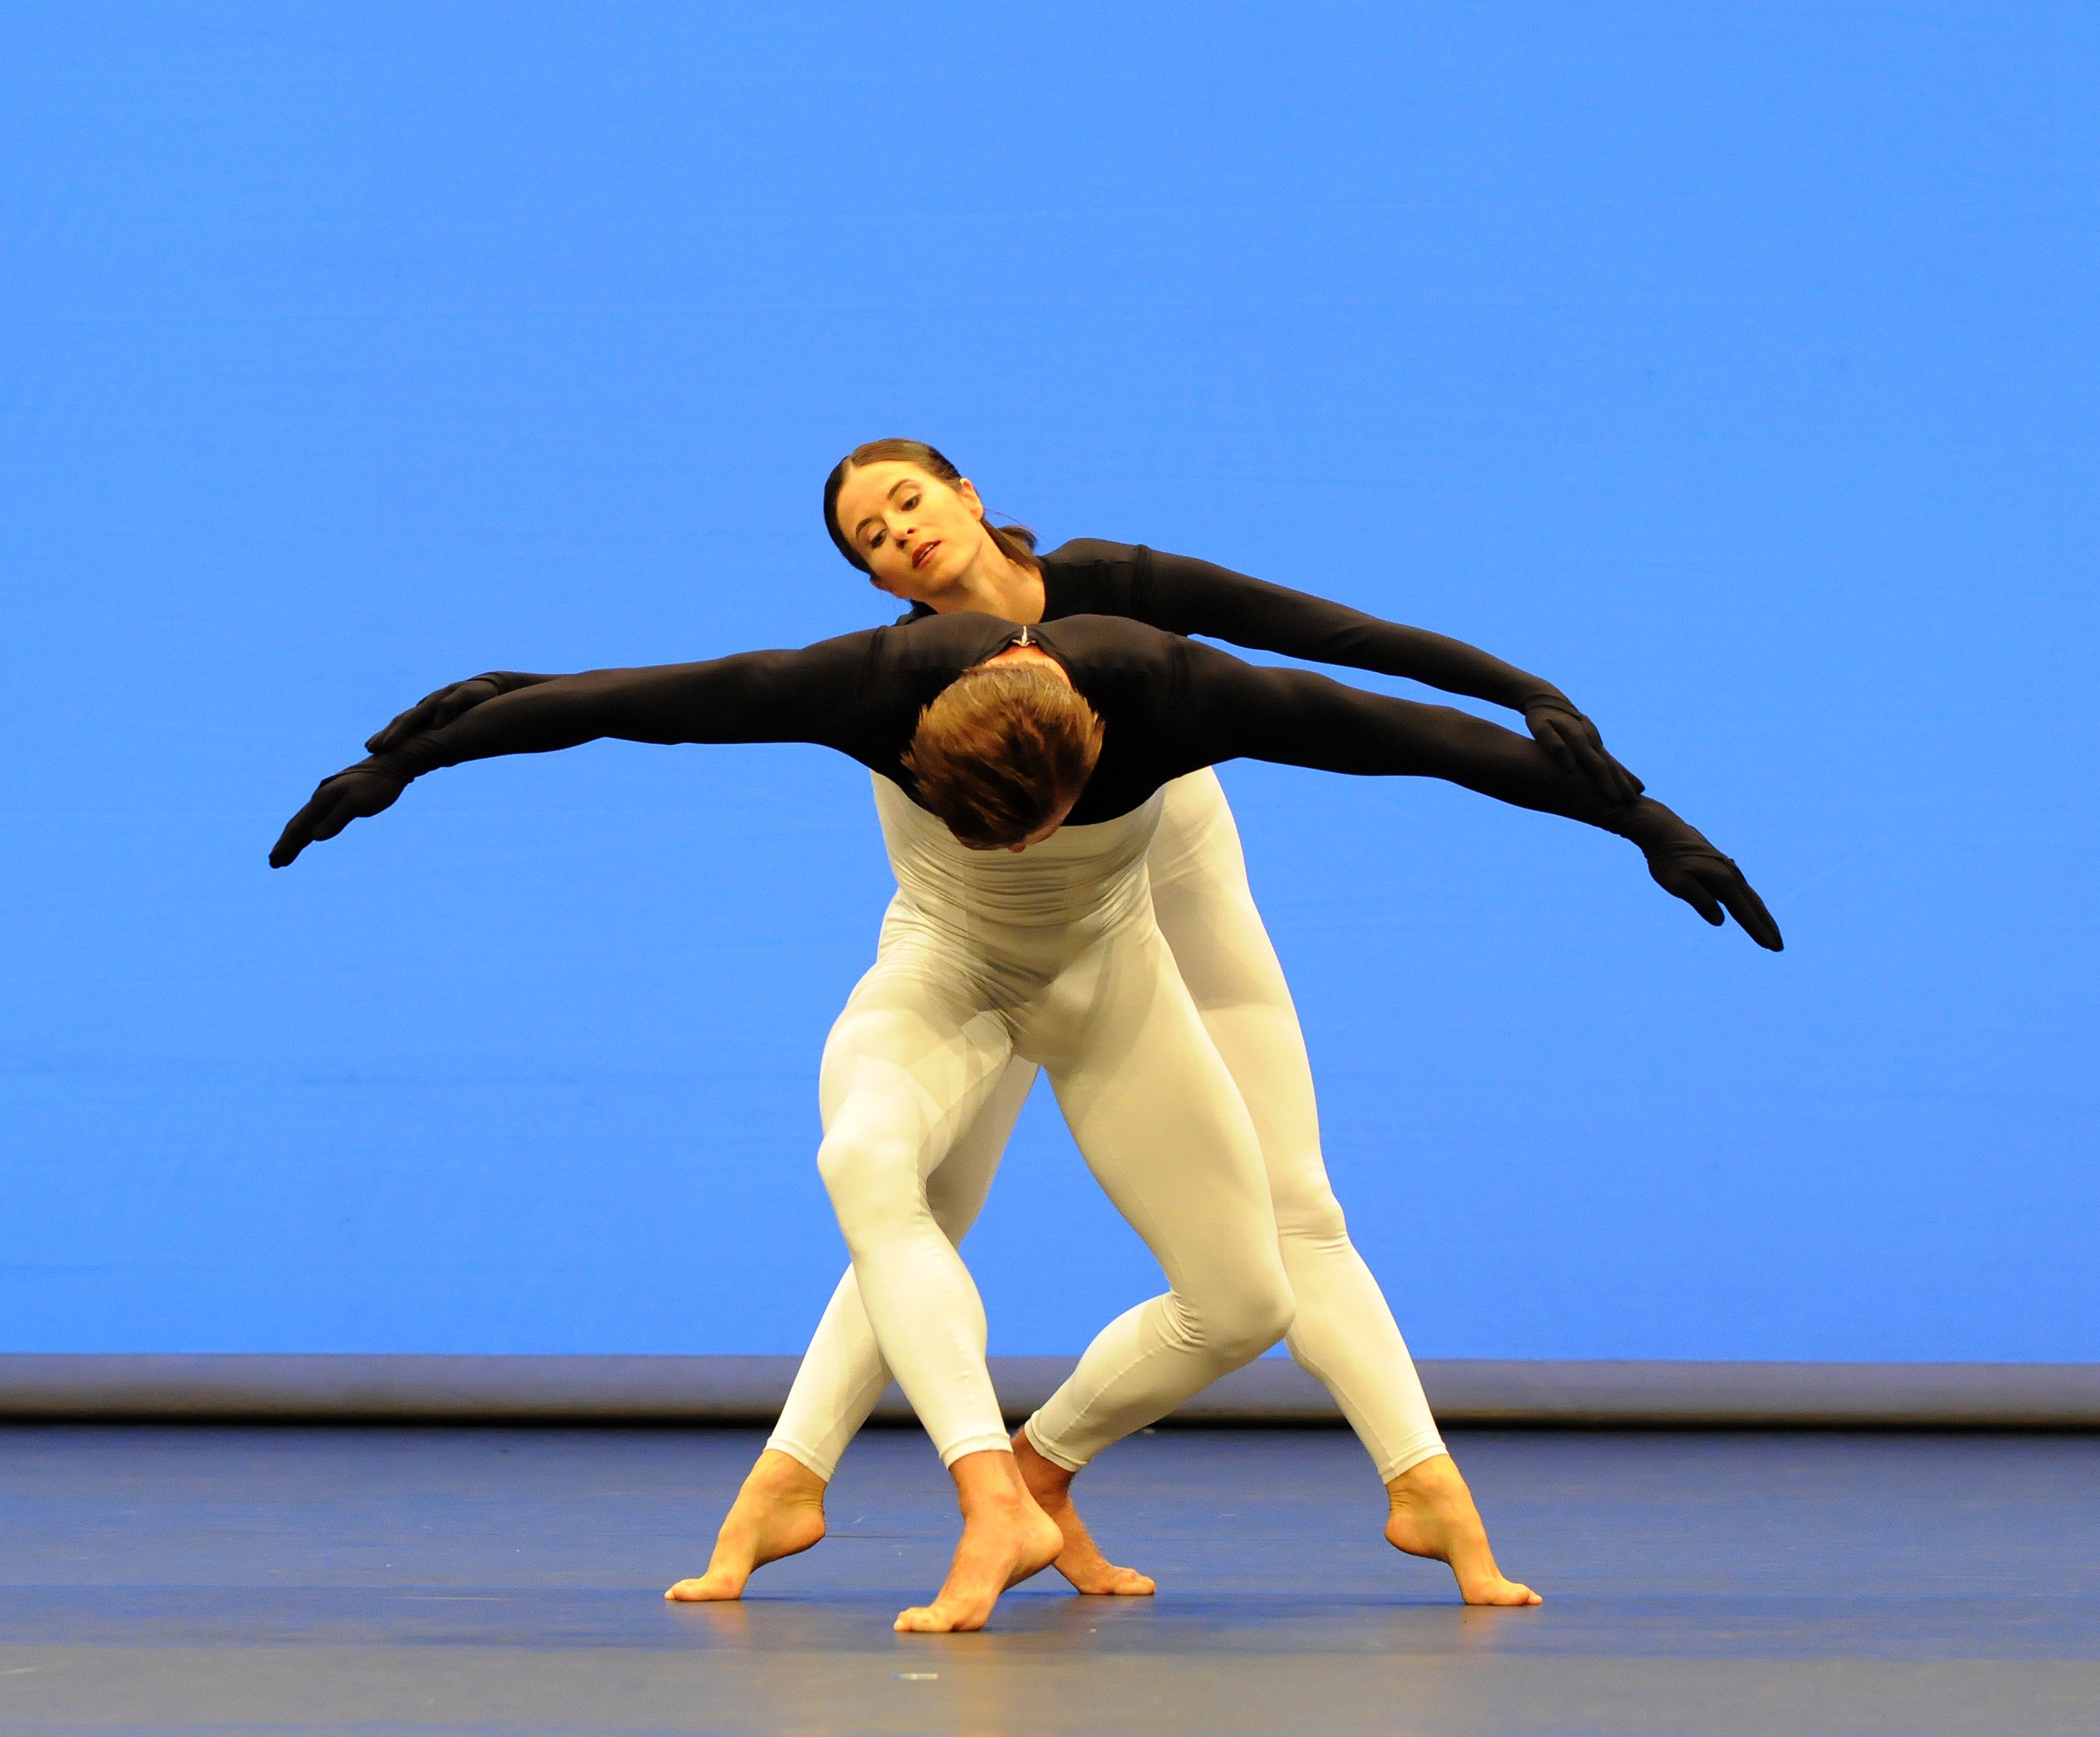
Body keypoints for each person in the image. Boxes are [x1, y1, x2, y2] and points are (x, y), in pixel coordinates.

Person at [272, 606, 1778, 1630]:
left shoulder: (1172, 689)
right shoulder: (870, 683)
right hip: (941, 971)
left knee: (1247, 1289)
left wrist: (1646, 821)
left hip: (1108, 975)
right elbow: (625, 705)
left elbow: (1418, 736)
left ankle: (1040, 1468)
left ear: (1083, 764)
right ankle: (978, 1492)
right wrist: (402, 758)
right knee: (865, 1158)